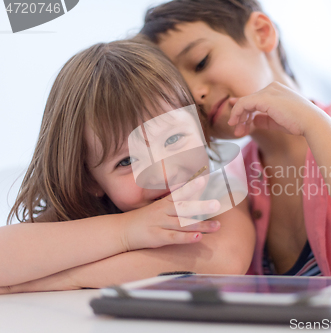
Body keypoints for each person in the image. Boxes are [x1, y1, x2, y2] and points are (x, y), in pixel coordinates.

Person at [140, 0, 331, 282]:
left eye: (201, 62)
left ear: (261, 34)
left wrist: (313, 122)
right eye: (180, 95)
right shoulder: (235, 179)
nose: (195, 94)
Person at [0, 38, 255, 294]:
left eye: (174, 139)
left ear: (200, 127)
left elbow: (226, 260)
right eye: (127, 161)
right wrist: (126, 231)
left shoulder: (219, 192)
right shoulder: (88, 213)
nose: (164, 174)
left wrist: (70, 278)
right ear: (89, 180)